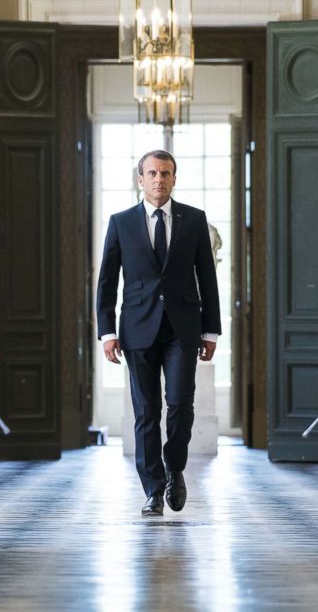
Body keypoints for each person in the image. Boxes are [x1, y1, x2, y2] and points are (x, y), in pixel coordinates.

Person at [96, 150, 221, 516]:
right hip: (136, 329)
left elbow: (208, 279)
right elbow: (106, 282)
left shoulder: (194, 220)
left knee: (180, 402)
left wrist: (211, 330)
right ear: (140, 180)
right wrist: (106, 333)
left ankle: (174, 469)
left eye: (165, 173)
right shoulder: (121, 223)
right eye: (151, 173)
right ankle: (152, 490)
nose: (158, 179)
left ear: (174, 178)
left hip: (183, 329)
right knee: (145, 412)